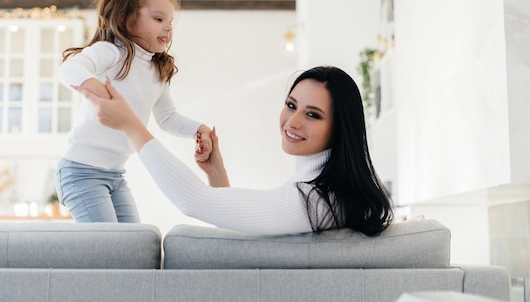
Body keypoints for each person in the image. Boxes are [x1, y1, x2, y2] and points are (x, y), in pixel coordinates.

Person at [75, 65, 394, 236]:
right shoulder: (326, 195)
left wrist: (131, 126)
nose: (292, 121)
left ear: (341, 128)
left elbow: (193, 202)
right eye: (291, 105)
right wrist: (217, 173)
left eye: (312, 114)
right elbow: (246, 219)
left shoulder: (314, 202)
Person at [56, 0, 213, 223]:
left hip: (116, 175)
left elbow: (168, 118)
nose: (168, 27)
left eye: (171, 21)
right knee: (110, 251)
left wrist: (199, 129)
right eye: (159, 19)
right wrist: (106, 97)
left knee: (134, 245)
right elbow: (69, 70)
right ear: (125, 21)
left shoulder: (157, 71)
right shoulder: (111, 52)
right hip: (81, 172)